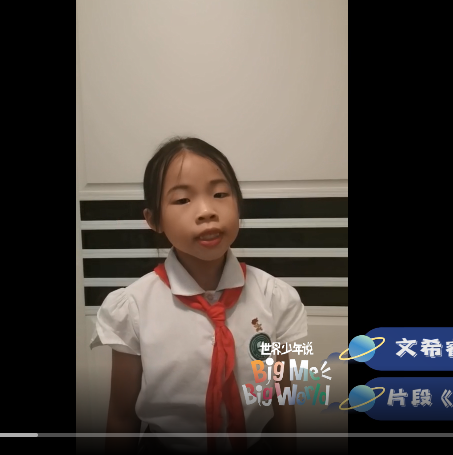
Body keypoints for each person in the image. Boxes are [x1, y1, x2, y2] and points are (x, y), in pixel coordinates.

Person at [90, 137, 308, 453]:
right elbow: (122, 416)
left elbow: (283, 400)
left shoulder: (275, 297)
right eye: (182, 200)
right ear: (153, 220)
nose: (207, 211)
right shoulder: (132, 307)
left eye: (220, 194)